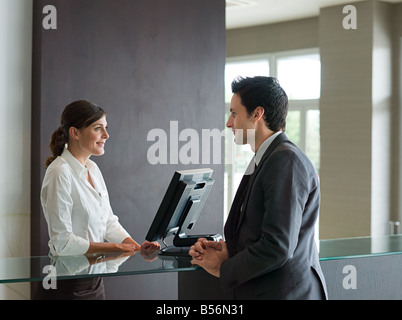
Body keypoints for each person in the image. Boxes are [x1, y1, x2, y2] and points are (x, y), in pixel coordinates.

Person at [189, 76, 327, 300]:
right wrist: (230, 252)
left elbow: (277, 246)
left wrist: (223, 268)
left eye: (234, 113)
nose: (228, 123)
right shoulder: (267, 157)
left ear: (257, 114)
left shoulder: (285, 161)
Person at [37, 100, 159, 299]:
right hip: (66, 285)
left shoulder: (93, 169)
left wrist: (136, 247)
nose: (106, 135)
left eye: (106, 128)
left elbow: (108, 222)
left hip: (94, 280)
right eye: (98, 128)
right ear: (75, 133)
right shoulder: (59, 172)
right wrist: (114, 248)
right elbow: (62, 242)